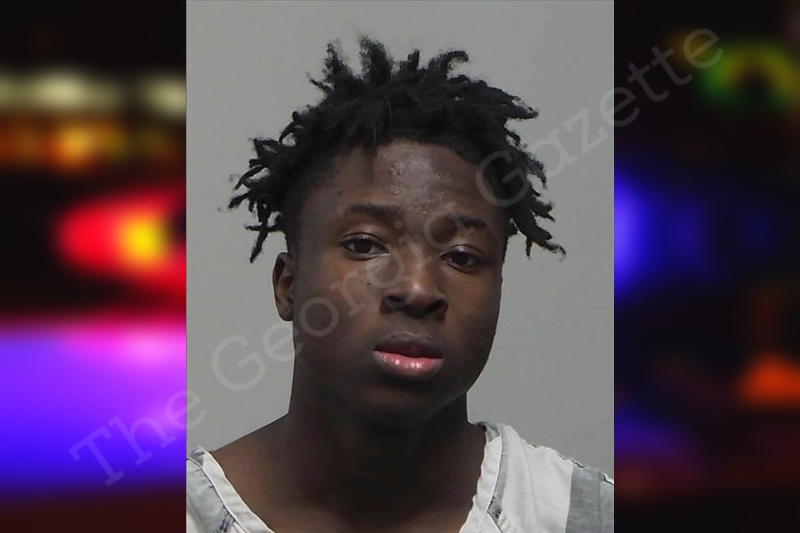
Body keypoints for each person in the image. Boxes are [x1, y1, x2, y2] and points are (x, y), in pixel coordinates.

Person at [186, 36, 613, 533]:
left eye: (462, 256)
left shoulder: (580, 516)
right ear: (288, 284)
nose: (417, 288)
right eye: (366, 245)